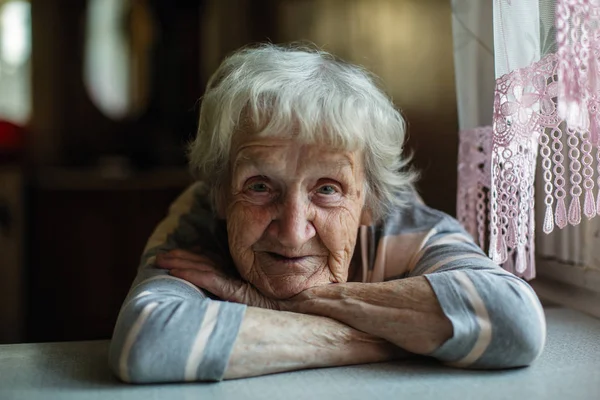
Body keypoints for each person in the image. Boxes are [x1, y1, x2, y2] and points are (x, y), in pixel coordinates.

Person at [109, 44, 546, 383]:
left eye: (328, 189)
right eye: (260, 187)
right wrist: (404, 336)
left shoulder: (406, 226)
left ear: (369, 201)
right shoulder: (198, 220)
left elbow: (515, 321)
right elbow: (145, 342)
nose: (293, 230)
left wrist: (278, 305)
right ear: (221, 194)